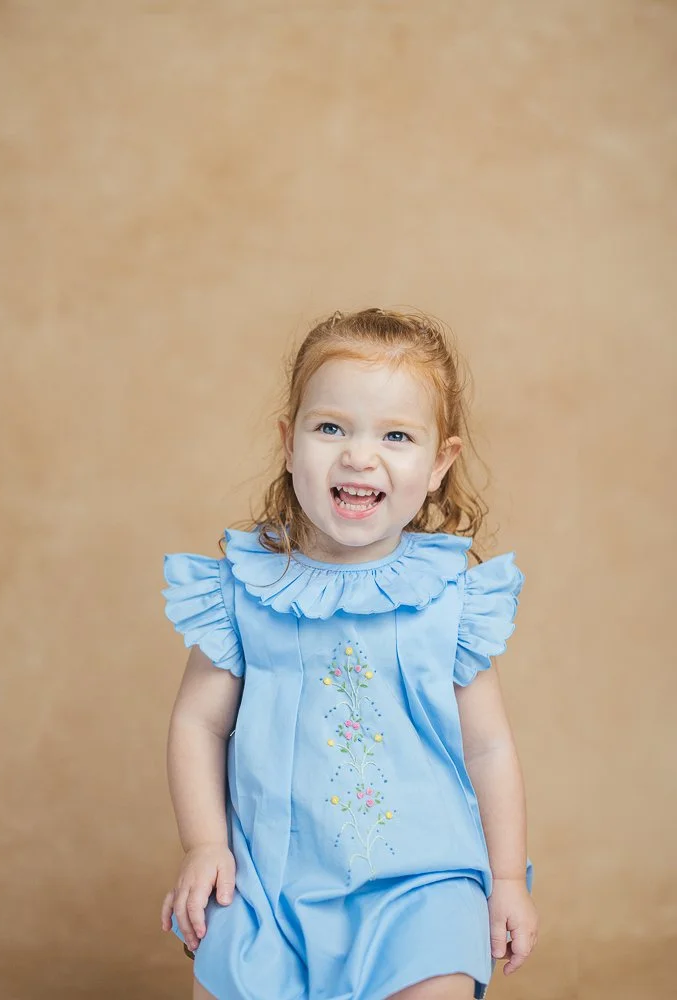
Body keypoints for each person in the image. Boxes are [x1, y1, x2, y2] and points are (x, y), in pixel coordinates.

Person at [160, 308, 538, 1000]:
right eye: (330, 427)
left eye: (396, 435)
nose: (359, 455)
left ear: (438, 463)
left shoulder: (450, 597)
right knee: (225, 977)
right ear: (288, 441)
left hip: (422, 882)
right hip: (270, 877)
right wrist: (205, 844)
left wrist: (506, 878)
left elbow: (488, 749)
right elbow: (197, 724)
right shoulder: (245, 588)